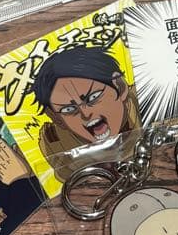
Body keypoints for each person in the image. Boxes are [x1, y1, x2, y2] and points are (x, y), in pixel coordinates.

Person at [31, 45, 141, 179]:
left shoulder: (151, 105)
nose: (85, 114)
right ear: (57, 119)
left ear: (120, 87)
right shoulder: (56, 145)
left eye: (93, 97)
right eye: (69, 109)